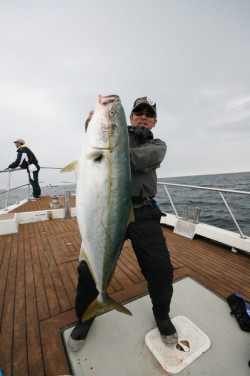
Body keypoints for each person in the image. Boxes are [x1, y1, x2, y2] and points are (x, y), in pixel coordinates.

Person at [68, 97, 178, 351]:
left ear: (154, 121)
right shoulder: (114, 135)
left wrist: (107, 144)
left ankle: (162, 314)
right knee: (87, 270)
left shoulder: (157, 145)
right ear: (130, 117)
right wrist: (94, 127)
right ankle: (86, 316)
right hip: (105, 210)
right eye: (138, 112)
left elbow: (135, 159)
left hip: (142, 212)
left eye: (148, 114)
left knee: (161, 270)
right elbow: (96, 148)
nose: (142, 116)